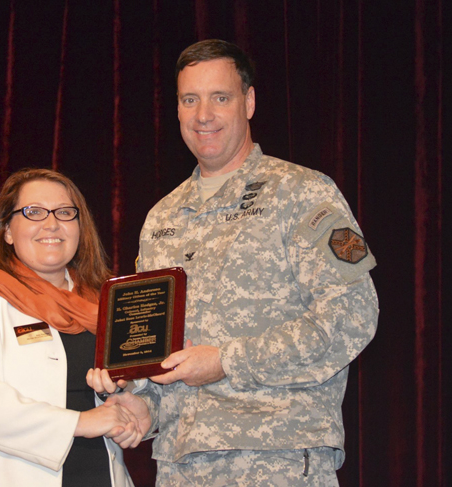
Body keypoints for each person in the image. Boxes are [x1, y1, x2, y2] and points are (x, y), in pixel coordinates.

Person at [88, 39, 379, 486]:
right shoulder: (161, 217)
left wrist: (229, 360)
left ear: (249, 101)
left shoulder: (303, 192)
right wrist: (142, 402)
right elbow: (155, 349)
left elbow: (353, 315)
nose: (204, 114)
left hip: (277, 458)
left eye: (219, 97)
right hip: (181, 465)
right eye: (190, 99)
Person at [0, 168, 138, 487]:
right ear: (7, 230)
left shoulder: (108, 304)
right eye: (33, 212)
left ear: (80, 228)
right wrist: (78, 423)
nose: (51, 223)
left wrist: (138, 407)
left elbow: (134, 387)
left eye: (65, 213)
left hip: (101, 475)